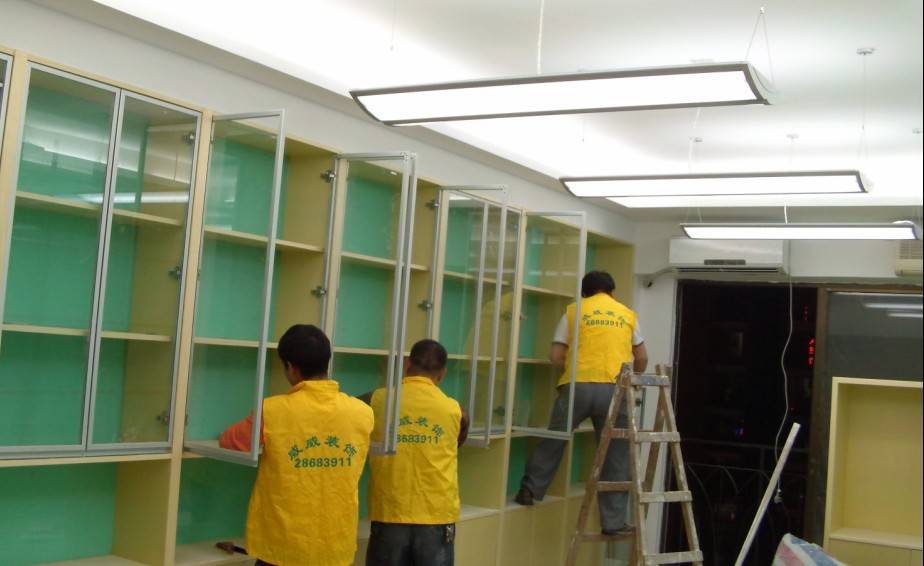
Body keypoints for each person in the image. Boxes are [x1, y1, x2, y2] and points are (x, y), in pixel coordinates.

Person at [219, 324, 374, 566]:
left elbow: (231, 440)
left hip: (283, 546)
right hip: (335, 545)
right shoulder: (362, 412)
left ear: (291, 367)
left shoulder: (272, 410)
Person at [514, 271, 648, 536]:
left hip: (577, 386)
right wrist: (633, 379)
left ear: (585, 293)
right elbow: (642, 357)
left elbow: (556, 354)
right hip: (616, 389)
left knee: (555, 437)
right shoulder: (627, 315)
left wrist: (572, 373)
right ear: (612, 292)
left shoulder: (574, 311)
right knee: (616, 453)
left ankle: (530, 489)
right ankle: (613, 522)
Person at [362, 339, 470, 566]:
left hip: (389, 512)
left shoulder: (377, 399)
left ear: (408, 364)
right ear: (442, 373)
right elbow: (457, 443)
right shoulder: (456, 410)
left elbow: (344, 414)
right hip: (436, 514)